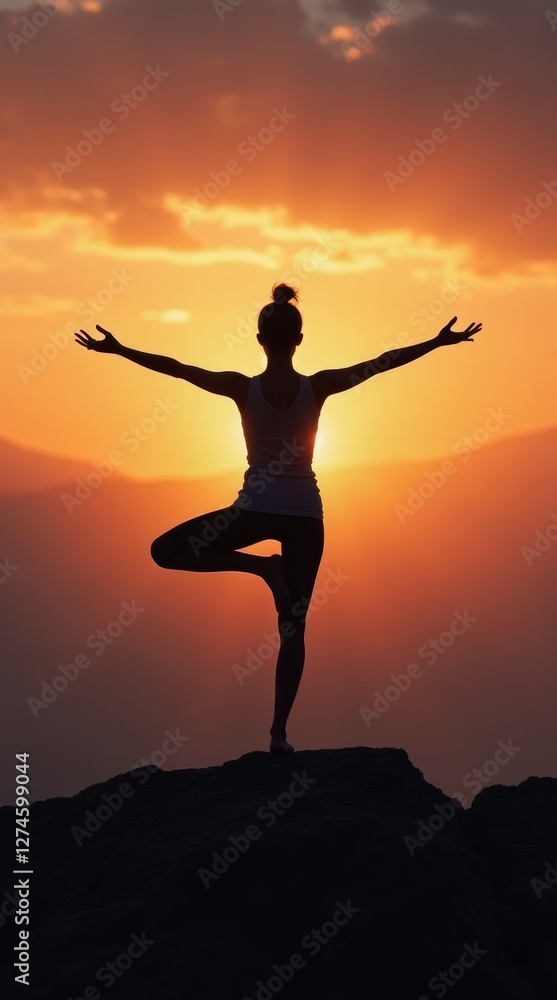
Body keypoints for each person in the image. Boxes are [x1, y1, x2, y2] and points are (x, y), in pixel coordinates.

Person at [75, 283, 482, 753]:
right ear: (299, 340)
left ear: (259, 340)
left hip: (252, 512)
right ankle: (278, 736)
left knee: (165, 551)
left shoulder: (241, 387)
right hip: (305, 517)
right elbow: (382, 362)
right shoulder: (319, 386)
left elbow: (179, 369)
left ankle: (261, 568)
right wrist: (436, 342)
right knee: (294, 629)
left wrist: (120, 349)